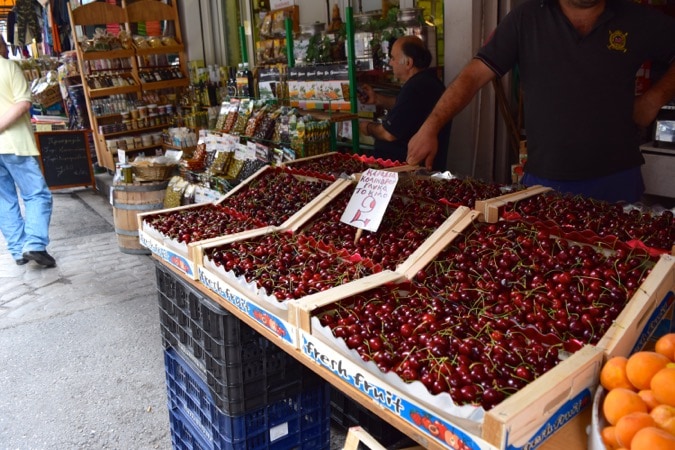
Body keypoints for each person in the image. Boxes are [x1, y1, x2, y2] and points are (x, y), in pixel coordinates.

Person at [407, 0, 675, 203]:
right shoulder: (526, 18)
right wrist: (431, 126)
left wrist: (654, 99)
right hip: (545, 180)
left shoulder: (636, 18)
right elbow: (474, 75)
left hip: (617, 178)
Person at [0, 34, 56, 267]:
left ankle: (17, 250)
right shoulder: (8, 67)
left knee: (4, 199)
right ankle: (33, 244)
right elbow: (23, 103)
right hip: (14, 145)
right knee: (36, 194)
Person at [358, 35, 451, 172]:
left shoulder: (415, 87)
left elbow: (389, 134)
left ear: (408, 63)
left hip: (407, 170)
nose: (390, 63)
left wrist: (367, 127)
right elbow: (407, 107)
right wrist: (377, 99)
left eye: (393, 58)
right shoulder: (428, 82)